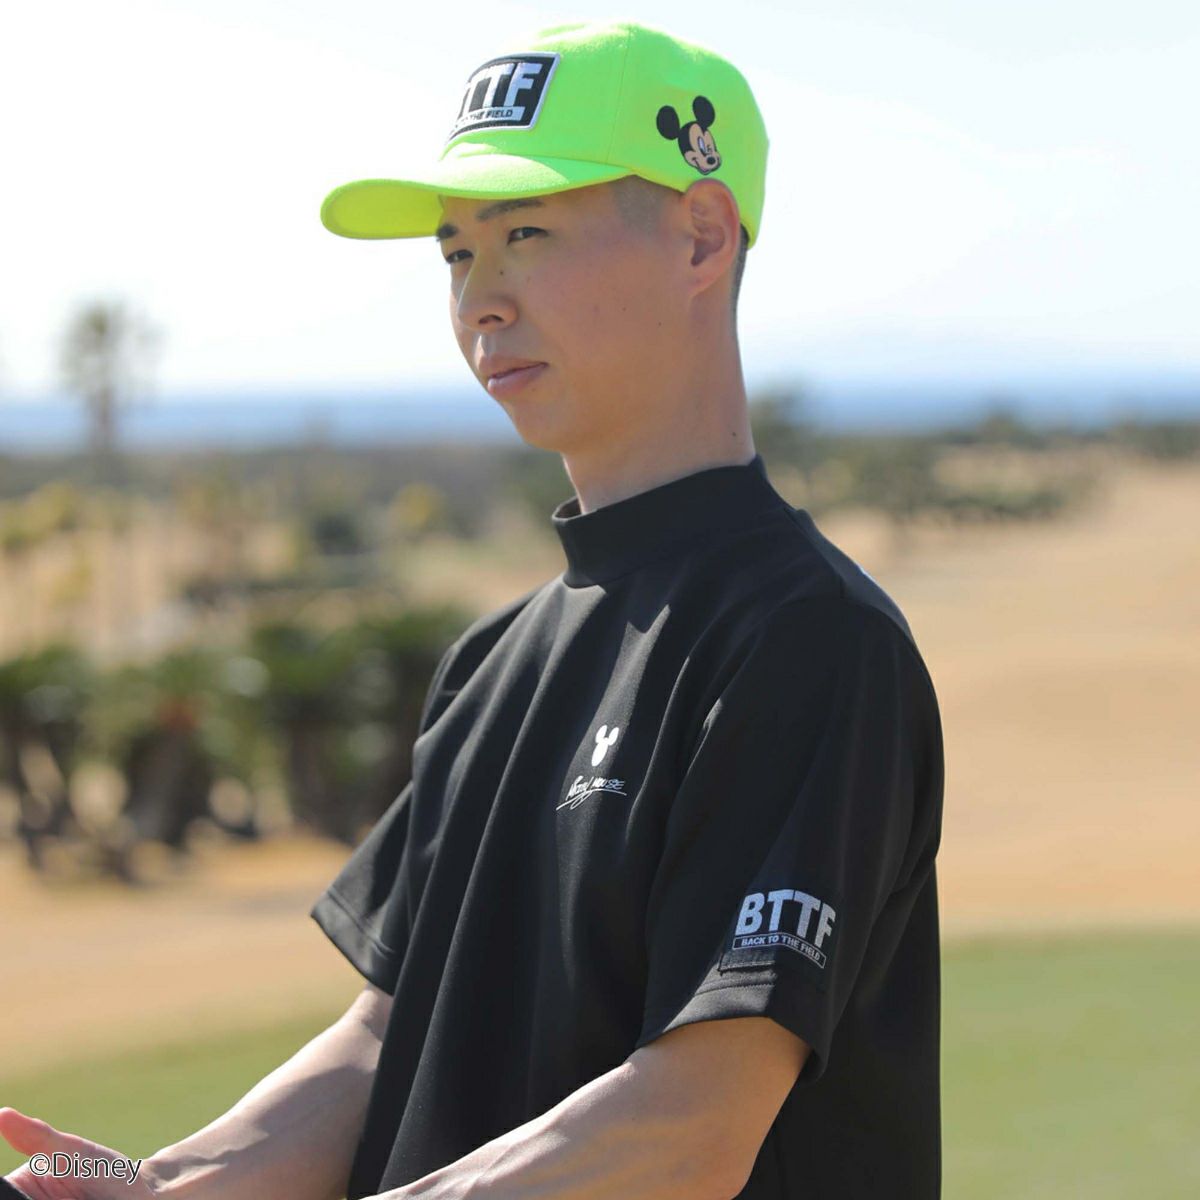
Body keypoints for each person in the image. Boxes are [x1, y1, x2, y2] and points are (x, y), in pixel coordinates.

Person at [0, 17, 945, 1200]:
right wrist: (157, 1190)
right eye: (457, 254)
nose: (480, 302)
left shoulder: (810, 641)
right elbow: (390, 1041)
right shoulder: (492, 662)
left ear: (702, 236)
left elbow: (692, 1125)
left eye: (526, 235)